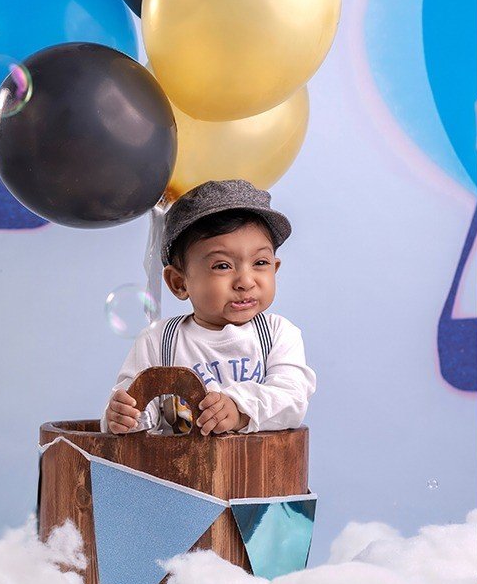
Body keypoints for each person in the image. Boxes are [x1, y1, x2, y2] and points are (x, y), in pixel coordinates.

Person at [101, 179, 316, 436]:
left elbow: (292, 398)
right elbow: (135, 405)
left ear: (275, 268)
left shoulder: (278, 334)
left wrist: (238, 409)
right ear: (179, 282)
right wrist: (124, 417)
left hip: (251, 471)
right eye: (222, 266)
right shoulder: (158, 341)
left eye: (260, 262)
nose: (246, 281)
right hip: (175, 472)